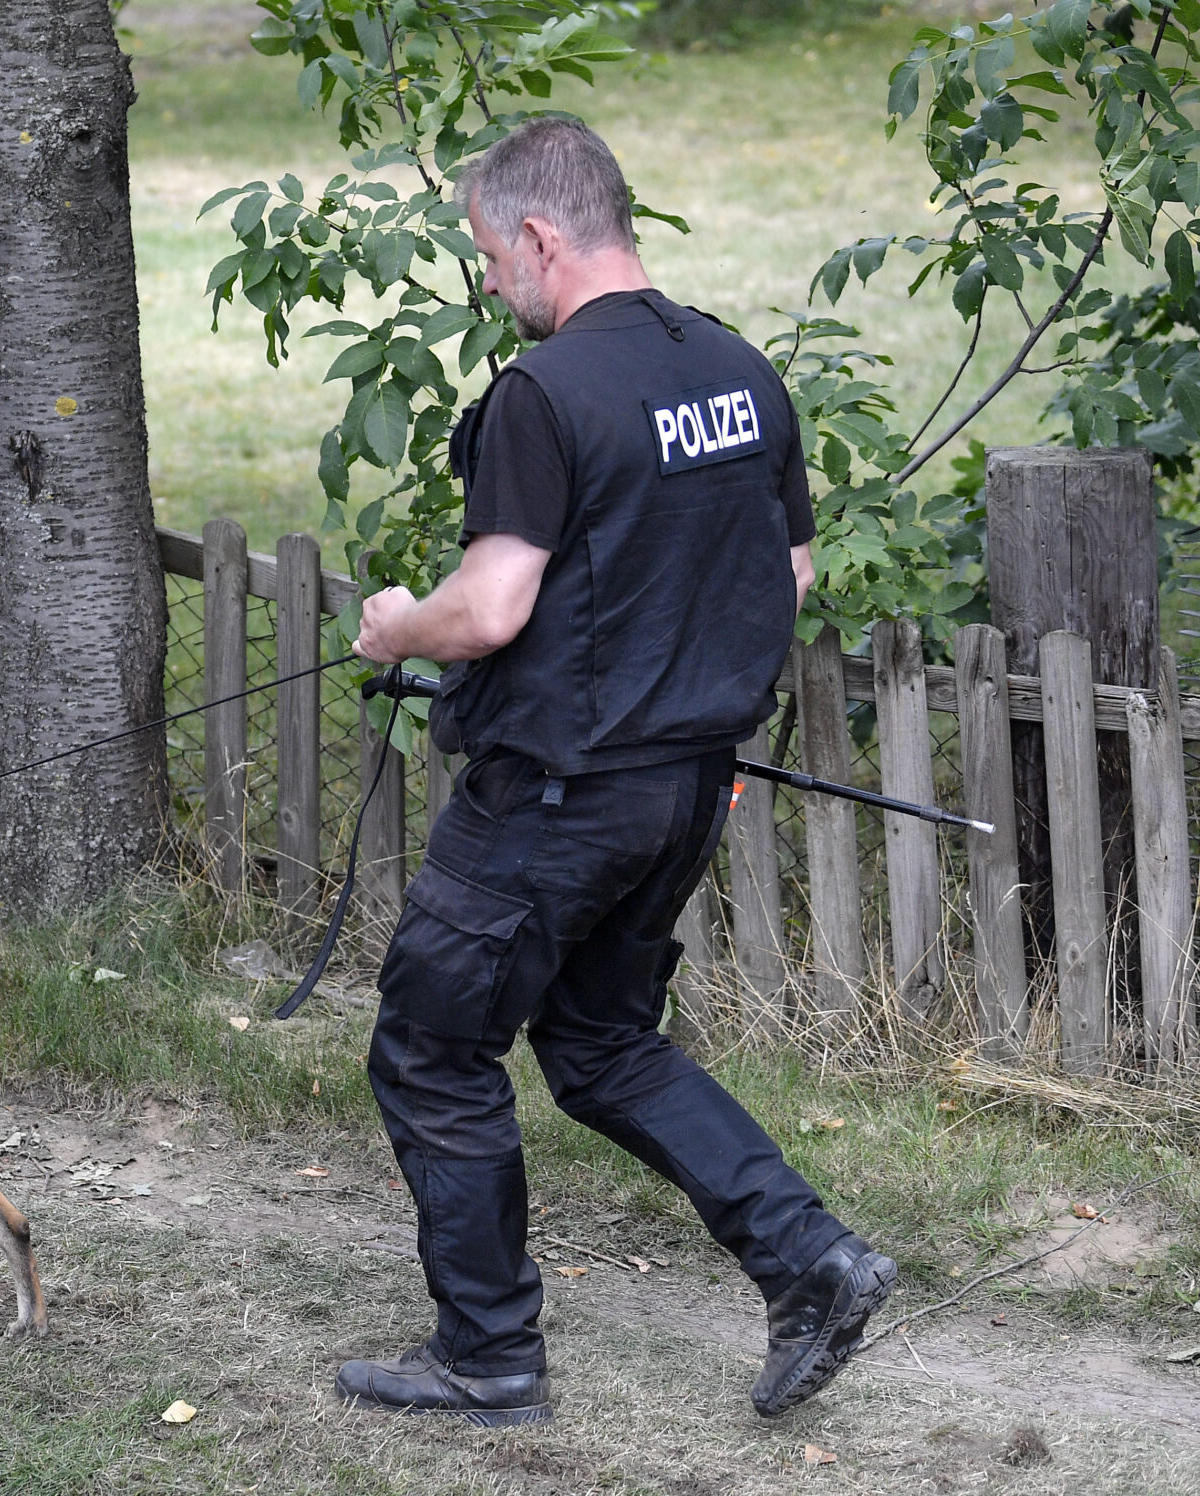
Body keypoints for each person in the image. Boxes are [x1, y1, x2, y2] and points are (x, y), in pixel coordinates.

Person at [340, 116, 895, 1426]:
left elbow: (487, 609)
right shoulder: (744, 372)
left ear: (539, 235)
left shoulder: (544, 395)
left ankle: (488, 1356)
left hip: (552, 802)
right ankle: (813, 1262)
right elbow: (792, 574)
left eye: (487, 254)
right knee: (596, 1042)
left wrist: (393, 626)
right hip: (689, 791)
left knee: (429, 1050)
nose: (487, 282)